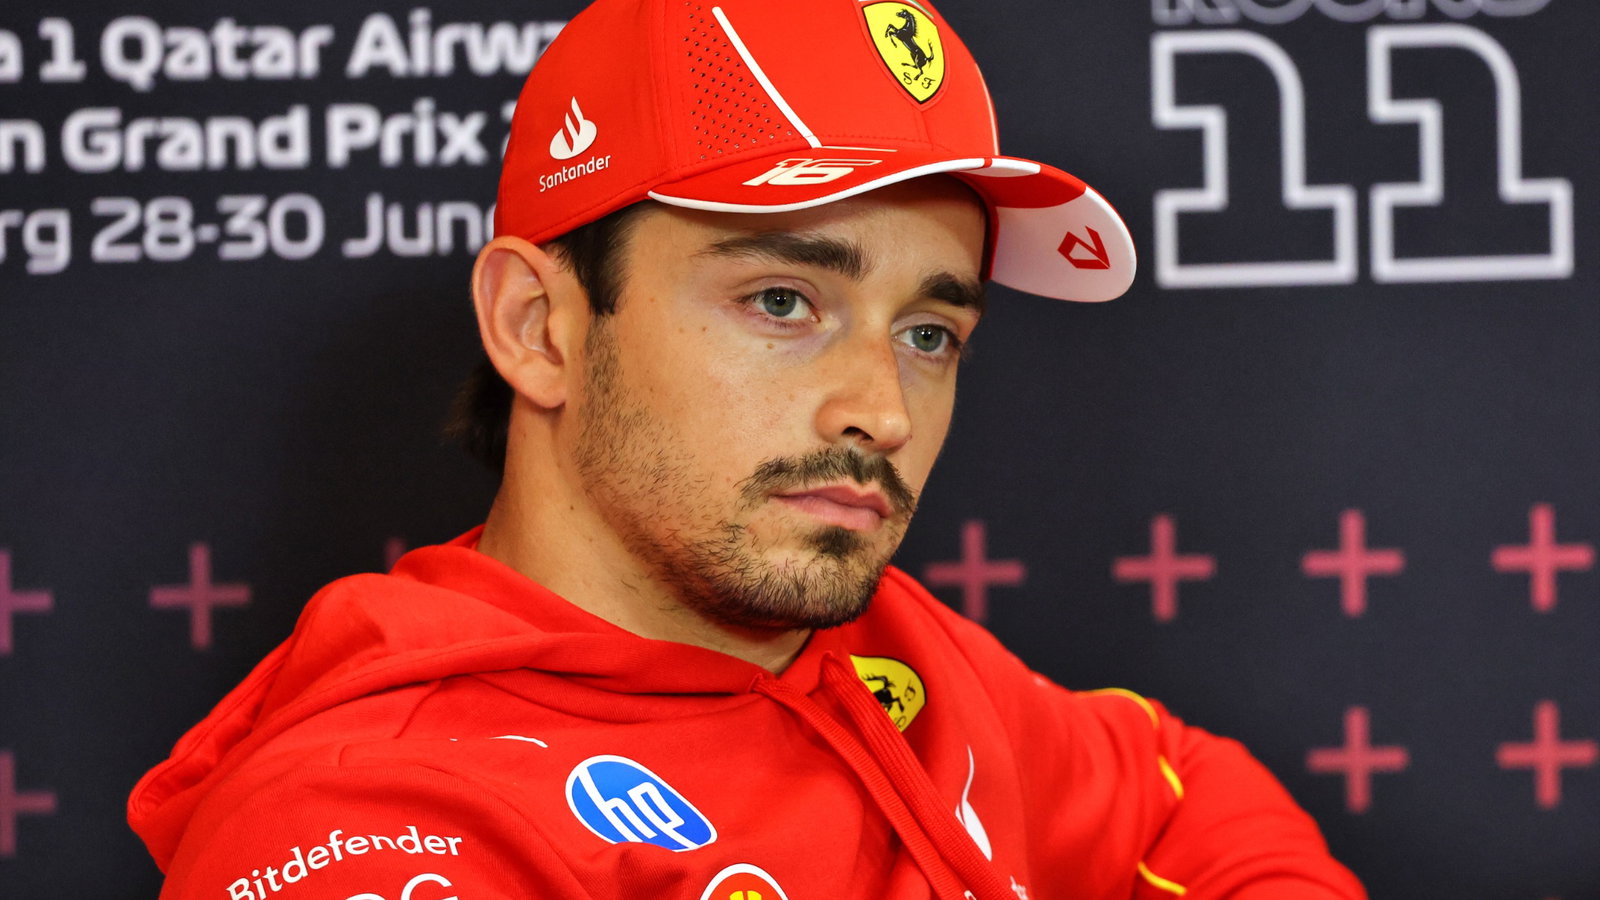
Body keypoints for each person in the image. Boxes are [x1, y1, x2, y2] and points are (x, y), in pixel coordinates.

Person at [128, 0, 1366, 897]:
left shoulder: (901, 661)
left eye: (930, 331)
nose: (879, 408)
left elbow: (1183, 792)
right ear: (537, 326)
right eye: (783, 303)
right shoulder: (378, 825)